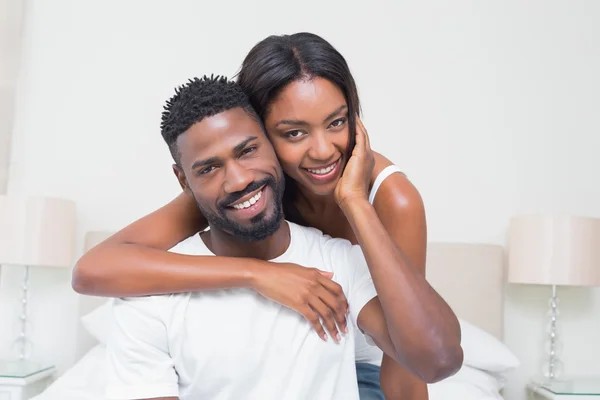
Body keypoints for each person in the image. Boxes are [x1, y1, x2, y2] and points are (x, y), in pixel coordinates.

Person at [74, 33, 462, 400]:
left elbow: (418, 365)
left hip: (367, 353)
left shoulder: (387, 204)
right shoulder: (237, 187)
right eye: (294, 132)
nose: (324, 151)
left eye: (337, 122)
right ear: (264, 130)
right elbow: (95, 268)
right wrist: (259, 274)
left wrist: (356, 202)